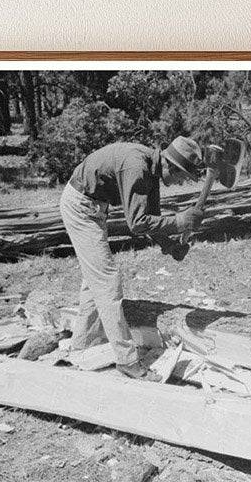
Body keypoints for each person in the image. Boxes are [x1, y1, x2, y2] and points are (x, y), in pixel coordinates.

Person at [59, 136, 206, 379]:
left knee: (94, 282)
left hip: (94, 206)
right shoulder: (137, 167)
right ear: (171, 165)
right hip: (81, 206)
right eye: (182, 177)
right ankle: (127, 361)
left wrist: (169, 246)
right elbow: (137, 223)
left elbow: (152, 218)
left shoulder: (153, 169)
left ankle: (82, 345)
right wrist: (179, 221)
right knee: (107, 280)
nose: (180, 183)